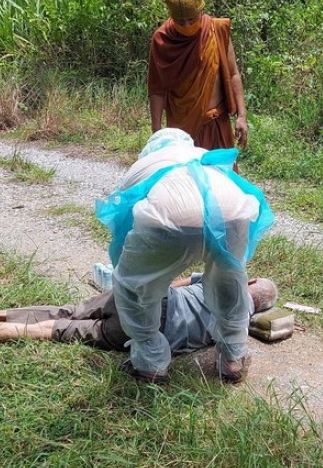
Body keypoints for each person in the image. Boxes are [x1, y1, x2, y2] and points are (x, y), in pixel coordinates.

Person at [95, 128, 274, 385]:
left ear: (151, 148)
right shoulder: (201, 154)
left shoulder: (145, 164)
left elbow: (122, 228)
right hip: (232, 213)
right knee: (229, 281)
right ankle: (232, 360)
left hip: (169, 218)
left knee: (134, 286)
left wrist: (133, 270)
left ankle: (151, 365)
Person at [0, 275, 279, 360]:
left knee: (69, 309)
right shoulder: (238, 325)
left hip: (146, 297)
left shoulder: (222, 278)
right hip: (147, 331)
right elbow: (230, 364)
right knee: (58, 329)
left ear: (250, 282)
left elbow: (176, 283)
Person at [148, 0, 248, 154]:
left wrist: (242, 116)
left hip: (217, 123)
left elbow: (233, 74)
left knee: (221, 170)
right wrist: (156, 131)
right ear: (171, 17)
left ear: (201, 11)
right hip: (182, 129)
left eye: (192, 19)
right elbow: (157, 88)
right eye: (180, 22)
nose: (187, 25)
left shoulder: (217, 30)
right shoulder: (162, 40)